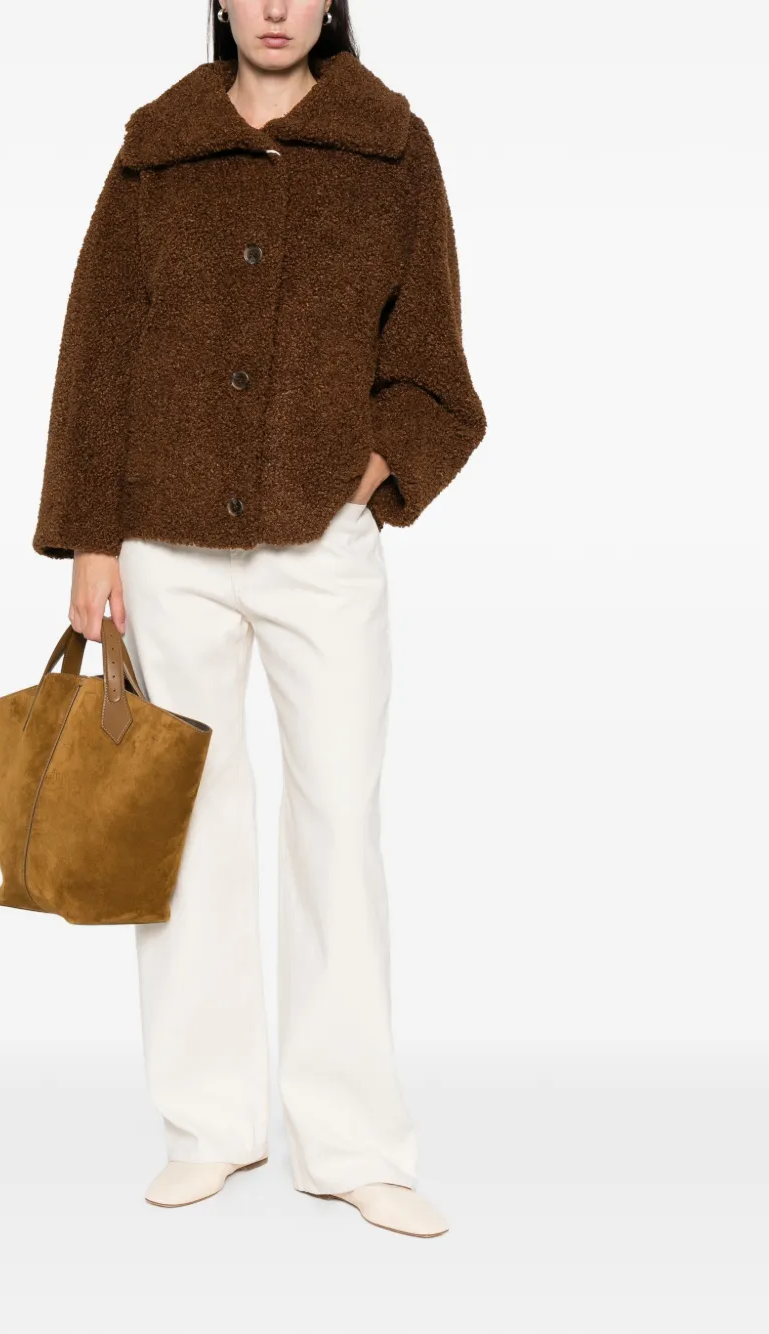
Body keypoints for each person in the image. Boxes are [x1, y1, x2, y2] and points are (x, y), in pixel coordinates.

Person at [32, 0, 486, 1239]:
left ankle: (353, 1144)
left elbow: (430, 351)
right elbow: (97, 350)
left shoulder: (390, 144)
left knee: (336, 824)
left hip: (320, 547)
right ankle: (207, 1124)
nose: (275, 7)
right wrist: (89, 538)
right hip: (164, 543)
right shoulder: (157, 145)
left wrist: (369, 471)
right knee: (188, 828)